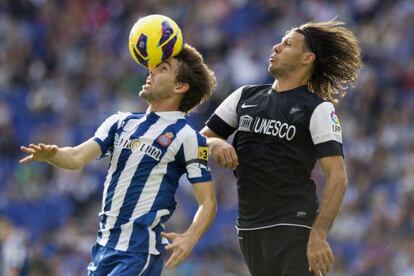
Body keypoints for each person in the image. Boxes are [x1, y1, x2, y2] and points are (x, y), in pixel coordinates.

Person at [19, 44, 217, 276]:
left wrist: (190, 238)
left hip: (137, 252)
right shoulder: (120, 122)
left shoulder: (187, 137)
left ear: (180, 86)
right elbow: (76, 158)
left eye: (162, 68)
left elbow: (208, 202)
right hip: (103, 248)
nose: (151, 71)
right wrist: (54, 155)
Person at [201, 20, 362, 276]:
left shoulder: (318, 109)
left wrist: (319, 234)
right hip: (249, 228)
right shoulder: (244, 96)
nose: (276, 47)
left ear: (307, 58)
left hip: (294, 225)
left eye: (287, 44)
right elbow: (196, 144)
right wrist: (215, 142)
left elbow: (338, 177)